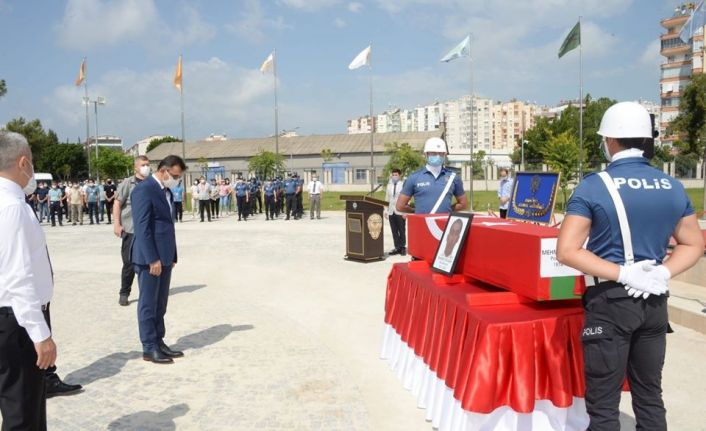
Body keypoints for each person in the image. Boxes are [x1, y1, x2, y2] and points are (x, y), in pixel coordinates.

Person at [556, 102, 704, 431]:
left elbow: (567, 250)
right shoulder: (672, 185)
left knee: (604, 402)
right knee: (649, 395)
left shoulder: (595, 185)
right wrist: (660, 272)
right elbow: (694, 243)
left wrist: (624, 273)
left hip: (610, 302)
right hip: (654, 302)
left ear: (610, 140)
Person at [0, 132, 66, 430]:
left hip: (10, 319)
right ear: (23, 162)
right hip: (17, 322)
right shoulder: (12, 207)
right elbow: (17, 276)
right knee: (24, 415)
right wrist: (40, 333)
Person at [131, 155, 186, 364]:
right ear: (163, 170)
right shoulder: (144, 189)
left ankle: (159, 341)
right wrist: (152, 258)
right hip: (149, 259)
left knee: (160, 303)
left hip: (164, 257)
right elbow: (142, 227)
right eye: (175, 176)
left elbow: (168, 227)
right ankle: (149, 347)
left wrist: (171, 255)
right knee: (148, 303)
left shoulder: (166, 191)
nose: (176, 180)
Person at [396, 137, 468, 215]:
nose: (437, 156)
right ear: (426, 154)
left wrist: (447, 210)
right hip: (422, 224)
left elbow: (463, 204)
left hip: (444, 225)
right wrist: (417, 211)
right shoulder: (414, 178)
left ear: (445, 155)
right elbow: (400, 206)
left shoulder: (453, 177)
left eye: (441, 153)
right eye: (433, 153)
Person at [114, 156, 151, 307]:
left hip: (148, 231)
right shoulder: (127, 183)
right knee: (129, 263)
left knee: (149, 262)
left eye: (148, 165)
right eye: (143, 165)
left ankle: (148, 292)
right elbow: (117, 203)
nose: (146, 167)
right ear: (136, 167)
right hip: (131, 230)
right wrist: (117, 223)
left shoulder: (152, 183)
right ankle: (124, 292)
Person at [385, 168, 406, 256]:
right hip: (391, 211)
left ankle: (402, 247)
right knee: (394, 231)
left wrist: (406, 212)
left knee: (401, 230)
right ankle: (397, 247)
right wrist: (386, 210)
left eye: (396, 175)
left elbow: (406, 199)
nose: (394, 176)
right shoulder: (389, 186)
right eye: (393, 175)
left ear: (399, 175)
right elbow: (387, 198)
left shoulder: (403, 185)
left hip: (400, 211)